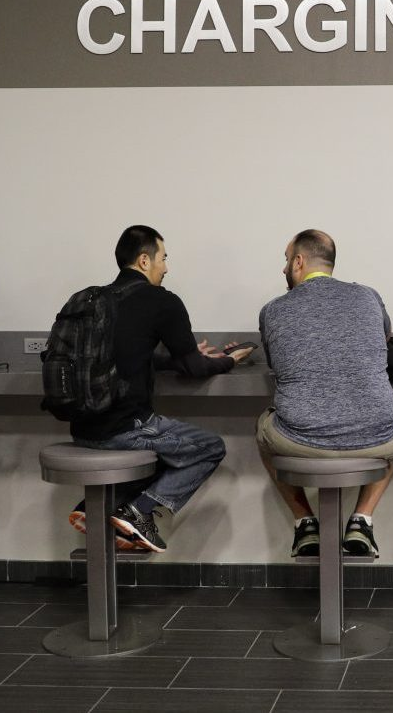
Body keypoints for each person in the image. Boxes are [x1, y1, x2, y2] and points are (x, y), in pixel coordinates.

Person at [68, 225, 252, 552]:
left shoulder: (91, 299)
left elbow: (130, 354)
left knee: (161, 450)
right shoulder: (161, 301)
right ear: (144, 260)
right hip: (126, 429)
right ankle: (138, 511)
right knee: (207, 447)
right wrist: (228, 361)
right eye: (163, 258)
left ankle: (93, 508)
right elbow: (195, 370)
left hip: (81, 430)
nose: (166, 267)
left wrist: (182, 357)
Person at [256, 230, 393, 558]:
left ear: (298, 262)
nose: (284, 269)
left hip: (299, 439)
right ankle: (362, 519)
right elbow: (383, 339)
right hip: (375, 439)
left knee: (263, 429)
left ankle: (305, 523)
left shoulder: (272, 311)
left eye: (286, 261)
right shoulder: (369, 296)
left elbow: (276, 363)